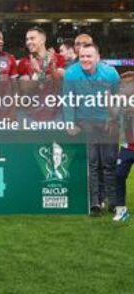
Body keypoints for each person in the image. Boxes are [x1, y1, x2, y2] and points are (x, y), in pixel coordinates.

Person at [63, 43, 120, 216]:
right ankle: (94, 203)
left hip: (107, 124)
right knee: (93, 163)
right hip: (86, 123)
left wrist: (114, 120)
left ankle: (113, 201)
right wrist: (69, 123)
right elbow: (67, 99)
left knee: (109, 164)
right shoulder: (71, 73)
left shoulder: (110, 73)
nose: (85, 60)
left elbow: (117, 99)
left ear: (98, 57)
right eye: (82, 56)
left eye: (89, 56)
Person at [111, 72, 134, 222]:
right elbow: (113, 115)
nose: (123, 87)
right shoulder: (121, 102)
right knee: (119, 175)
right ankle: (121, 210)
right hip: (127, 146)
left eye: (126, 84)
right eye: (122, 84)